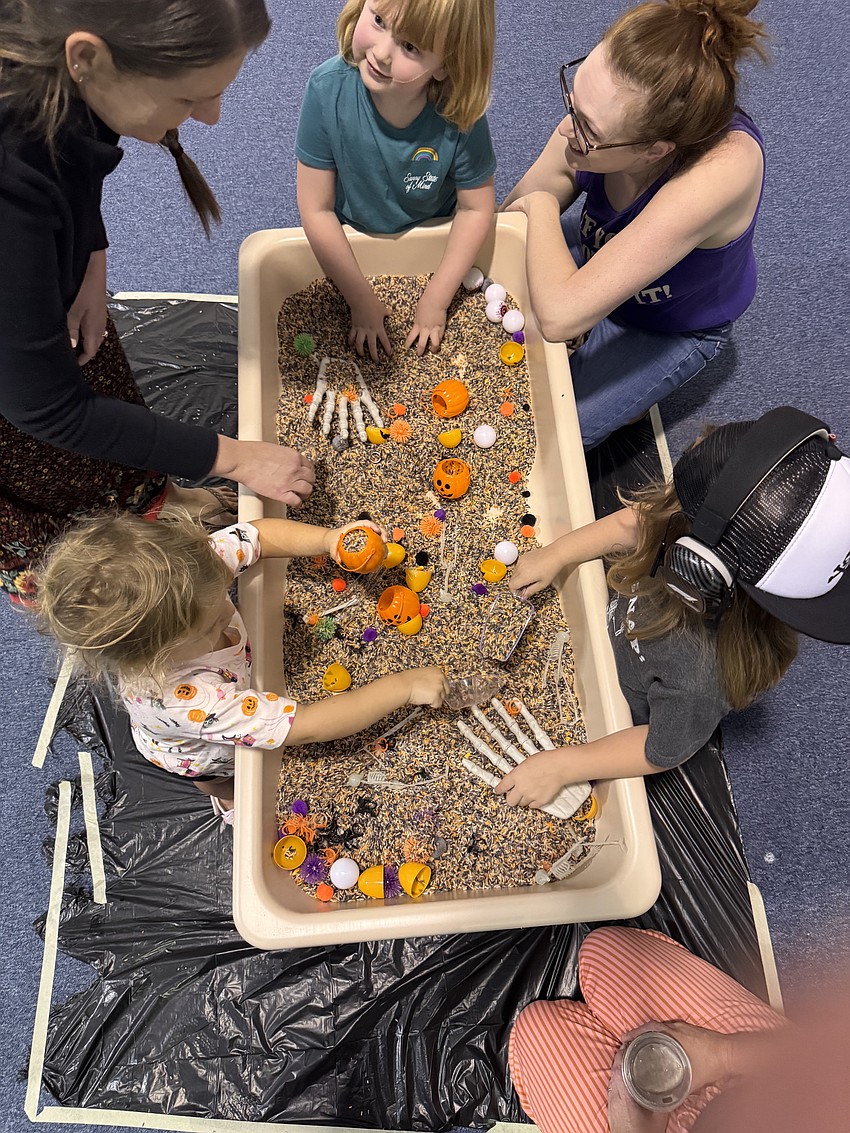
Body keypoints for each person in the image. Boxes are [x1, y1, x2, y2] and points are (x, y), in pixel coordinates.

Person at [0, 0, 316, 605]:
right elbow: (48, 412)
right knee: (79, 529)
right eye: (189, 98)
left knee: (106, 407)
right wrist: (235, 458)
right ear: (88, 58)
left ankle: (161, 502)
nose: (213, 117)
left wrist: (91, 256)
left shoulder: (66, 71)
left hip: (35, 323)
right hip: (18, 420)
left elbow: (76, 154)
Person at [498, 407, 850, 808]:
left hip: (625, 698)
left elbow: (661, 749)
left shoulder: (701, 679)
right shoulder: (680, 518)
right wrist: (558, 553)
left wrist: (563, 765)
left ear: (696, 571)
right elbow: (632, 523)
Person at [35, 510, 448, 819]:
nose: (223, 606)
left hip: (214, 693)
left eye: (220, 590)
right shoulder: (193, 698)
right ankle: (227, 800)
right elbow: (307, 725)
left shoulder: (189, 572)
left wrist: (328, 540)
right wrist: (404, 687)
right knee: (213, 775)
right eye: (214, 619)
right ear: (162, 655)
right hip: (192, 749)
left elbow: (259, 536)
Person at [501, 0, 769, 449]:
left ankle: (639, 393)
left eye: (586, 128)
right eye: (573, 100)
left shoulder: (724, 170)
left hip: (669, 323)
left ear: (654, 151)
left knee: (541, 436)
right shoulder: (604, 124)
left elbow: (560, 316)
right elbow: (509, 220)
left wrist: (544, 204)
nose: (567, 128)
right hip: (599, 250)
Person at [295, 0, 496, 360]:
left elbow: (476, 209)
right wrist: (359, 298)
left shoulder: (459, 114)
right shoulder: (326, 90)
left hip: (433, 237)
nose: (382, 52)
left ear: (446, 64)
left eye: (410, 46)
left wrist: (437, 297)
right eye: (377, 20)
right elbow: (315, 208)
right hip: (353, 236)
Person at [508, 925, 788, 1133]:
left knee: (537, 1029)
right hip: (768, 1084)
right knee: (604, 952)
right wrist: (723, 1054)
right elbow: (822, 1070)